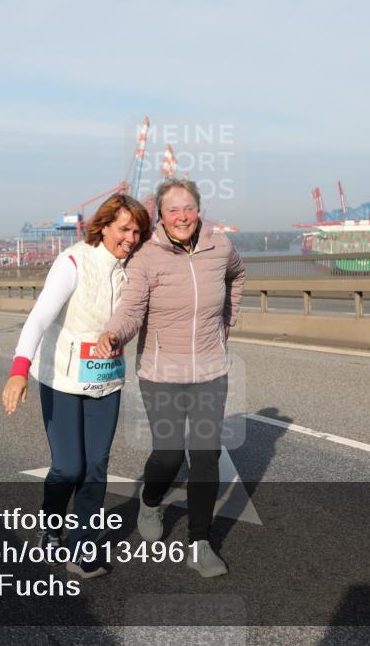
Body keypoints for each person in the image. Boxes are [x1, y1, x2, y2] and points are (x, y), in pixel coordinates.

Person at [96, 178, 245, 578]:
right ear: (160, 215)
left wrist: (227, 321)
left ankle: (200, 542)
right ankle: (150, 500)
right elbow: (131, 309)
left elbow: (237, 277)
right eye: (173, 209)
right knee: (169, 455)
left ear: (199, 210)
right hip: (162, 371)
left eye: (189, 207)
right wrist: (115, 334)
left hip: (211, 369)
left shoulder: (220, 247)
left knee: (206, 454)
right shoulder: (147, 255)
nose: (182, 216)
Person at [2, 193, 151, 579]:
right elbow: (37, 320)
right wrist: (19, 370)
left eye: (137, 231)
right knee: (69, 468)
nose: (131, 239)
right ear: (102, 227)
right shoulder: (72, 262)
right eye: (124, 229)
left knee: (96, 466)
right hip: (62, 379)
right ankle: (51, 528)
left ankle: (83, 546)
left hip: (107, 380)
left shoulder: (135, 270)